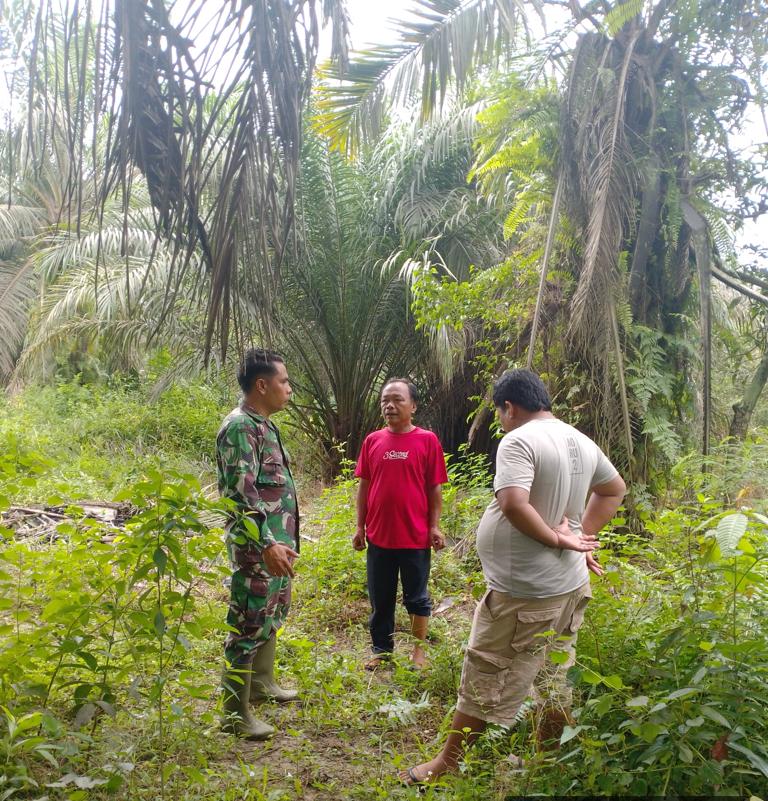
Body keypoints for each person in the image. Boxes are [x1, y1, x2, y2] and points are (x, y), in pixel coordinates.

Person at [400, 369, 626, 784]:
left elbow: (513, 503)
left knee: (486, 668)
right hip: (568, 586)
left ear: (510, 407)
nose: (500, 422)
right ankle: (549, 764)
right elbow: (614, 489)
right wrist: (579, 537)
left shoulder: (519, 439)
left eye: (499, 413)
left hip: (527, 590)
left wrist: (562, 541)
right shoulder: (578, 438)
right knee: (555, 670)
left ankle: (447, 764)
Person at [217, 349, 300, 740]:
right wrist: (266, 544)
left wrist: (281, 542)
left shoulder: (264, 425)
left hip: (277, 546)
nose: (288, 388)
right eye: (283, 381)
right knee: (248, 623)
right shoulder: (239, 427)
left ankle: (263, 683)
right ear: (262, 385)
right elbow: (240, 496)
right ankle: (235, 715)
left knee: (272, 612)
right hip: (258, 548)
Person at [353, 379, 449, 669]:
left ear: (413, 406)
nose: (390, 406)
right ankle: (381, 651)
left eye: (397, 400)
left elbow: (434, 488)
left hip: (415, 538)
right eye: (385, 400)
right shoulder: (373, 440)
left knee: (417, 599)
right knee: (380, 599)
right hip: (380, 537)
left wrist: (434, 526)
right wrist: (360, 526)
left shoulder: (427, 440)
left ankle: (418, 652)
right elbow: (364, 486)